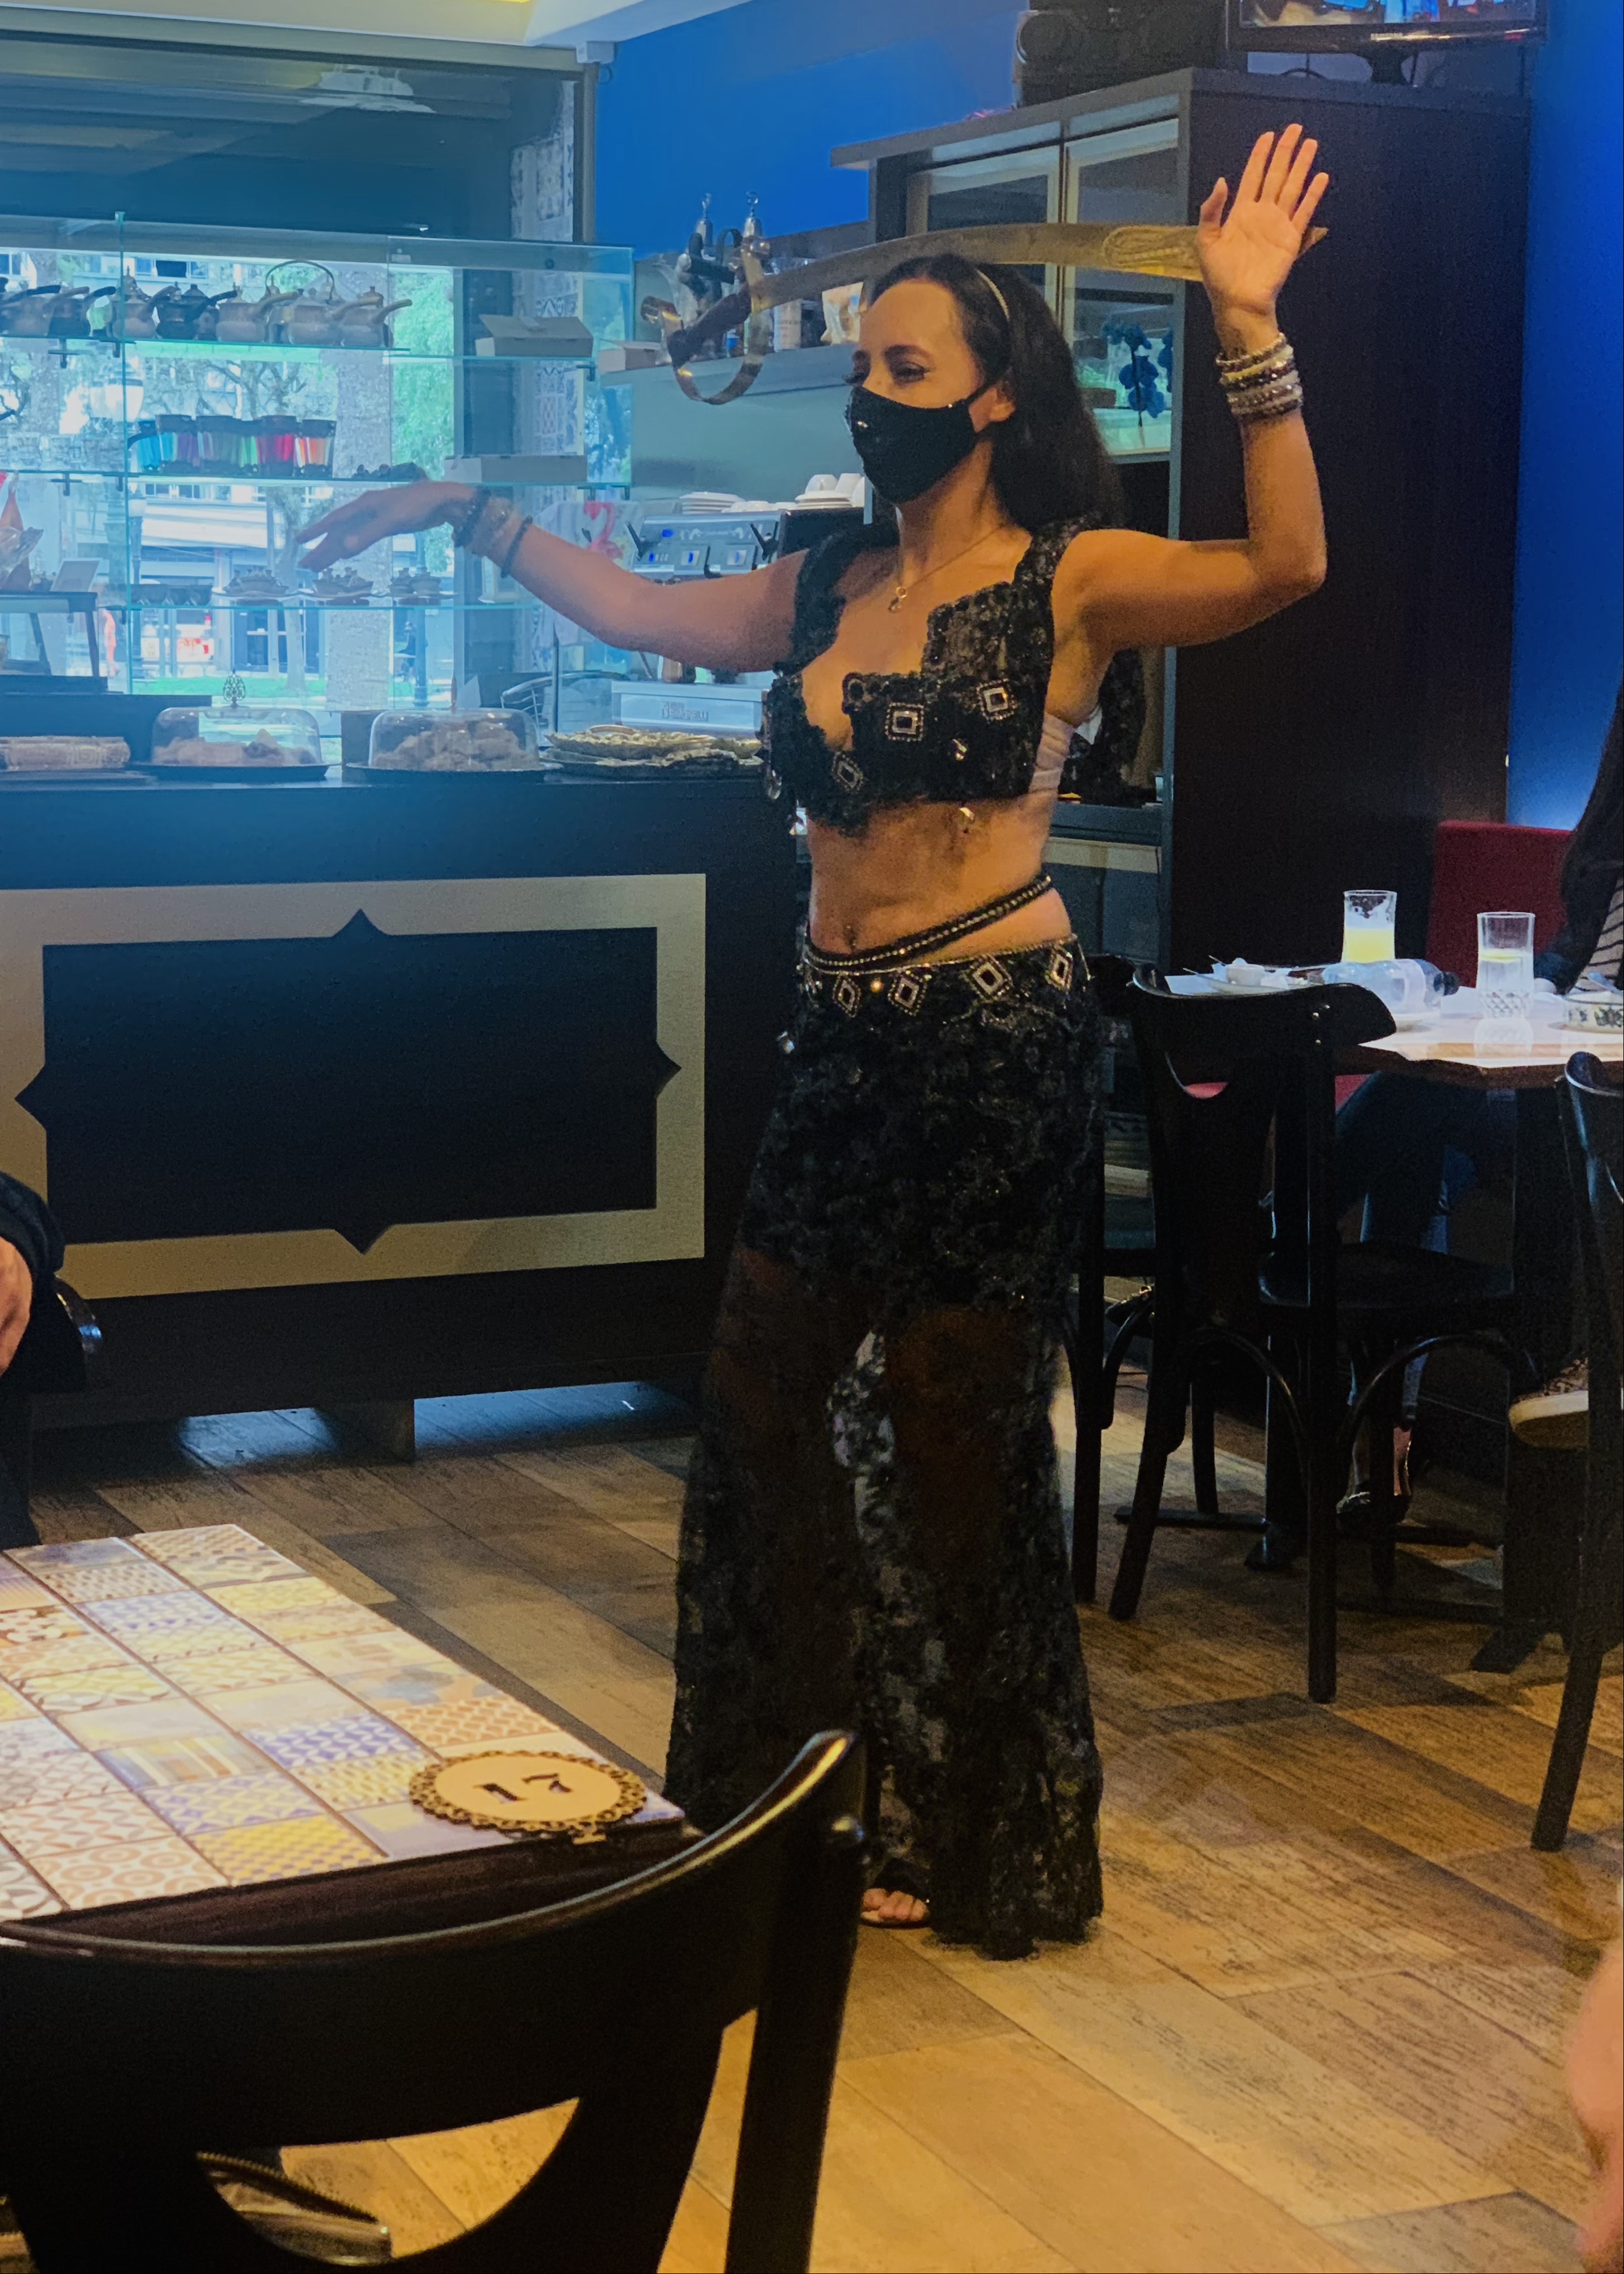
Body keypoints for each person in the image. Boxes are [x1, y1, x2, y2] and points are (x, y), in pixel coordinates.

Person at [300, 125, 1329, 1956]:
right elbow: (638, 609)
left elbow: (1284, 566)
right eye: (864, 366)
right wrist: (467, 509)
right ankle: (789, 1809)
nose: (872, 398)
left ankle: (959, 1829)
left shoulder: (1073, 577)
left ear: (996, 396)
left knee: (953, 1435)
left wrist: (1250, 330)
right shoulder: (828, 582)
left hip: (993, 1048)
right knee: (764, 1416)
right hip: (842, 1045)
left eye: (905, 369)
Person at [1332, 686, 1622, 1521]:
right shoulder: (1610, 850)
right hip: (1552, 1095)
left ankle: (1276, 1236)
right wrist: (1514, 991)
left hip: (1602, 1111)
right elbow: (1571, 961)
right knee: (1414, 1099)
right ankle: (1385, 1428)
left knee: (1411, 1112)